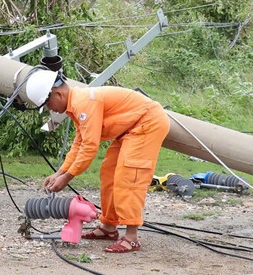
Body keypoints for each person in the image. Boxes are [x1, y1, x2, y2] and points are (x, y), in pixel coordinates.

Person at [25, 69, 170, 254]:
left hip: (146, 123)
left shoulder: (84, 103)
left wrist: (68, 177)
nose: (49, 109)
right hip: (129, 129)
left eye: (47, 103)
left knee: (129, 175)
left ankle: (132, 238)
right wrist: (59, 173)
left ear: (58, 94)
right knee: (108, 173)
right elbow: (80, 143)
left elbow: (90, 147)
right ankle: (109, 228)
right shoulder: (75, 105)